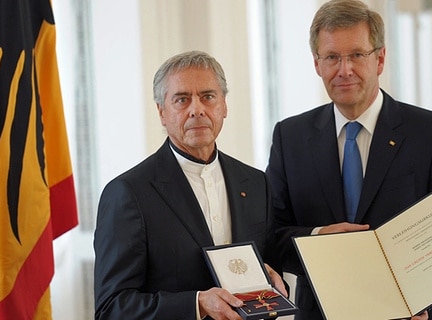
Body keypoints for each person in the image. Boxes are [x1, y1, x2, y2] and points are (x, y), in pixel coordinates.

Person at [265, 1, 432, 320]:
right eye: (332, 58)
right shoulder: (290, 137)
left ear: (379, 59)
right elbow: (270, 237)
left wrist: (423, 297)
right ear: (317, 64)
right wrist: (319, 238)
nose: (344, 70)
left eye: (356, 55)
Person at [94, 50, 287, 320]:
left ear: (224, 106)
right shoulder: (129, 193)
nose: (197, 109)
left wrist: (267, 281)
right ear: (162, 112)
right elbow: (112, 308)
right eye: (182, 100)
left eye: (208, 97)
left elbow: (269, 272)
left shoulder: (256, 183)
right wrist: (197, 304)